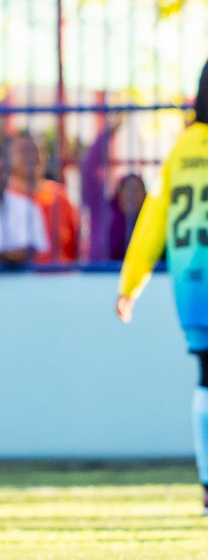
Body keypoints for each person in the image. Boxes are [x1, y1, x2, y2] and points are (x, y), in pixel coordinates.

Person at [117, 64, 208, 511]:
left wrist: (130, 283)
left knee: (205, 378)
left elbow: (152, 220)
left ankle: (207, 482)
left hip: (192, 285)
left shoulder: (181, 151)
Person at [82, 120, 147, 261]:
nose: (131, 195)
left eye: (136, 190)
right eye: (127, 190)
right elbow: (88, 169)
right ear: (118, 193)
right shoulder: (103, 210)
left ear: (145, 195)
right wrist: (109, 130)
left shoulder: (149, 220)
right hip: (99, 273)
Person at [10, 132, 78, 262]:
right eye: (24, 151)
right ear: (11, 157)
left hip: (62, 273)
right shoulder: (3, 198)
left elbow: (76, 246)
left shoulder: (60, 196)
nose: (32, 156)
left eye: (37, 150)